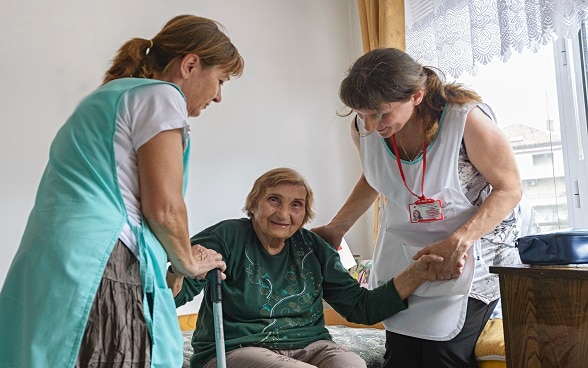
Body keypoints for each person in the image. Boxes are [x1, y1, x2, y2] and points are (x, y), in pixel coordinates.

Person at [0, 14, 243, 368]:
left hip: (50, 265)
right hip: (100, 263)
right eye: (220, 80)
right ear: (191, 64)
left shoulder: (106, 98)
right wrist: (188, 261)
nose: (219, 96)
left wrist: (175, 265)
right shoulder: (161, 96)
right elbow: (164, 208)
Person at [311, 48, 523, 368]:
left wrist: (459, 240)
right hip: (408, 256)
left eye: (380, 114)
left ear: (417, 96)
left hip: (472, 252)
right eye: (362, 113)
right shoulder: (364, 126)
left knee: (442, 355)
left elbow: (510, 189)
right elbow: (376, 176)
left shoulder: (465, 121)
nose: (370, 124)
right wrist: (336, 228)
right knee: (401, 357)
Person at [168, 167, 449, 368]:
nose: (283, 213)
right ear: (253, 204)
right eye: (274, 200)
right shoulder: (224, 237)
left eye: (296, 205)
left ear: (305, 214)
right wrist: (180, 268)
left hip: (312, 346)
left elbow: (362, 308)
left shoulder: (313, 247)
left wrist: (417, 273)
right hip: (237, 348)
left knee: (352, 364)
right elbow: (171, 298)